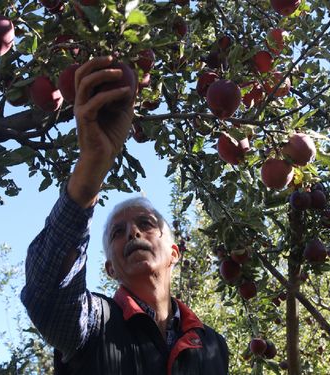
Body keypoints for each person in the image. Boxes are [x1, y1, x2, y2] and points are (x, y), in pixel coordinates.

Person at [20, 56, 229, 374]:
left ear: (174, 253)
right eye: (118, 232)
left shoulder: (213, 346)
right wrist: (91, 164)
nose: (132, 232)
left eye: (145, 224)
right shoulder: (92, 325)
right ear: (109, 268)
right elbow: (47, 294)